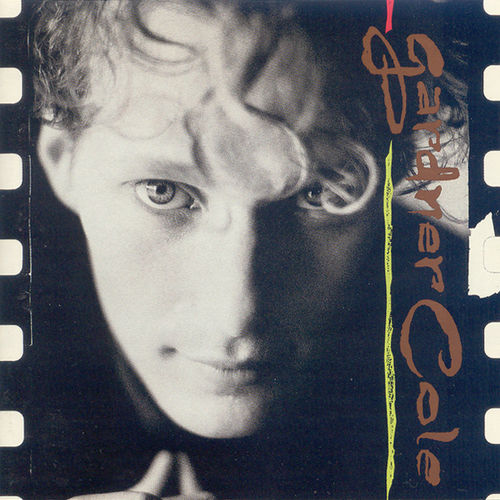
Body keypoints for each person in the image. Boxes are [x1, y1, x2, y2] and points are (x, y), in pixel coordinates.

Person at [29, 0, 469, 498]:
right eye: (162, 192)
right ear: (62, 158)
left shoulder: (461, 338)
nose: (237, 313)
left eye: (320, 192)